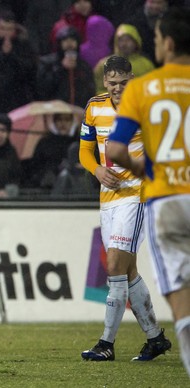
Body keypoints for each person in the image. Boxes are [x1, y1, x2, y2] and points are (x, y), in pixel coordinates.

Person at [107, 7, 190, 375]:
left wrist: (147, 169)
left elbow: (115, 150)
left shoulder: (142, 88)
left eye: (155, 39)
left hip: (167, 197)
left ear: (167, 43)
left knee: (181, 300)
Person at [79, 55, 171, 362]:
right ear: (105, 81)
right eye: (113, 83)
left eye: (124, 83)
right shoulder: (94, 107)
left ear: (132, 79)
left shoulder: (145, 106)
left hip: (138, 196)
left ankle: (106, 343)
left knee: (115, 264)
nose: (119, 89)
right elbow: (85, 151)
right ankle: (156, 338)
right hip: (108, 198)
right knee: (127, 271)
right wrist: (96, 171)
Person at [93, 24, 155, 94]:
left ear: (136, 42)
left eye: (128, 40)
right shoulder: (104, 65)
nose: (124, 44)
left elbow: (151, 89)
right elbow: (99, 90)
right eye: (121, 40)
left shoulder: (146, 65)